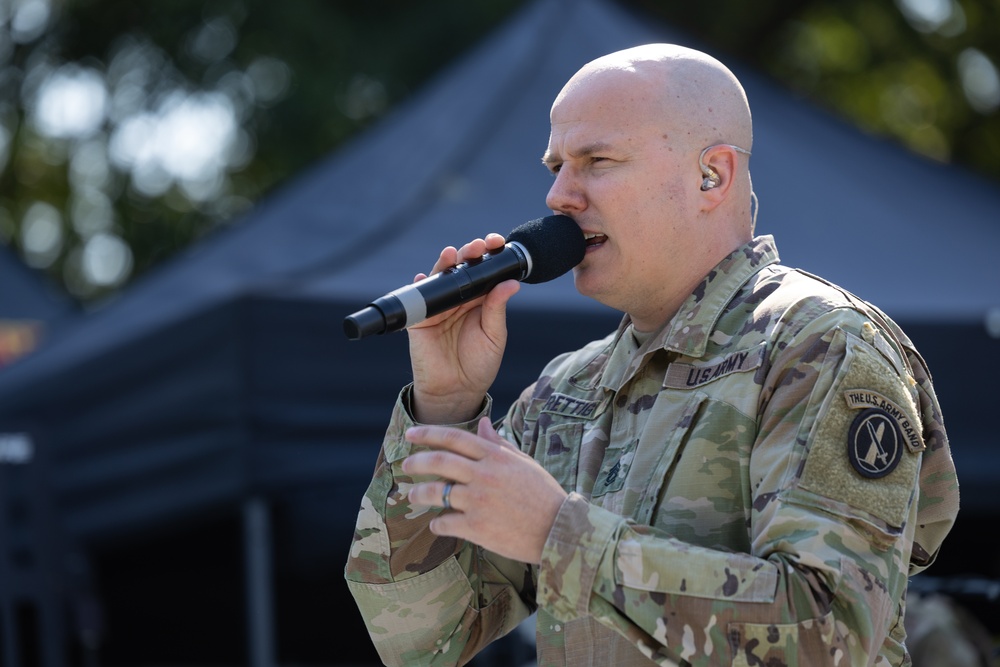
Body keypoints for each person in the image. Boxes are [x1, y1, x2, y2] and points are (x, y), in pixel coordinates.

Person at [344, 43, 960, 666]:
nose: (559, 196)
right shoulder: (567, 391)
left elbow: (831, 636)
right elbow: (420, 638)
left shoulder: (819, 346)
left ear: (710, 176)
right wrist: (444, 408)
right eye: (556, 166)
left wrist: (560, 535)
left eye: (597, 160)